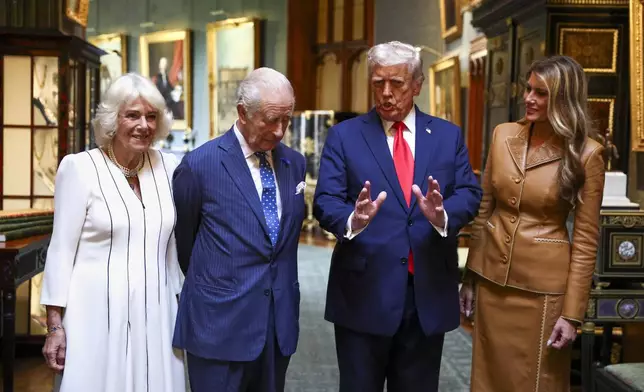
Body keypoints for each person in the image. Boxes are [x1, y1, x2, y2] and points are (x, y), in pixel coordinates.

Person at [313, 41, 482, 392]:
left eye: (397, 84)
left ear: (417, 85)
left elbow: (469, 193)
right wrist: (352, 220)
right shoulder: (345, 136)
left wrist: (442, 214)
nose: (386, 93)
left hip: (426, 294)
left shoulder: (447, 136)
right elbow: (325, 200)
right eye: (378, 83)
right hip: (363, 293)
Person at [461, 55, 605, 392]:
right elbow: (485, 210)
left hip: (543, 293)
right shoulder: (502, 135)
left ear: (563, 99)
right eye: (528, 89)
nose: (529, 98)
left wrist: (572, 314)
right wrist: (469, 277)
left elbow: (585, 240)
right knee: (488, 381)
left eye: (541, 93)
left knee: (538, 383)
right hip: (492, 283)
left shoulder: (587, 153)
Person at [40, 73, 187, 392]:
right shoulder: (79, 169)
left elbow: (173, 248)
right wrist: (55, 326)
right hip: (95, 315)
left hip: (159, 313)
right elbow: (61, 251)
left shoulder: (169, 167)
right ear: (112, 120)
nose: (144, 125)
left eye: (151, 116)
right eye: (132, 115)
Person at [172, 67, 306, 392]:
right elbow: (186, 245)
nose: (279, 131)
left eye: (286, 120)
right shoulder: (199, 166)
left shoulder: (294, 163)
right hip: (219, 325)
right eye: (271, 120)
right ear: (243, 113)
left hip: (277, 324)